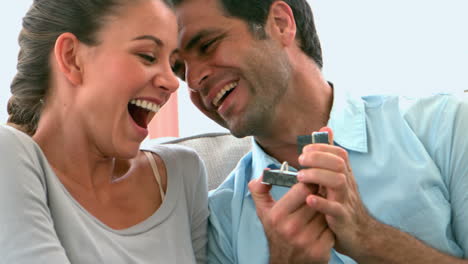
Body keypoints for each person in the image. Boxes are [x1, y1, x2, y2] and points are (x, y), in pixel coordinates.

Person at [171, 0, 468, 263]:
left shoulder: (445, 127)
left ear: (280, 24)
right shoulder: (221, 221)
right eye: (180, 70)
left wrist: (370, 238)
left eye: (207, 45)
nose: (194, 81)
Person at [0, 0, 208, 263]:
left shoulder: (182, 173)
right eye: (148, 56)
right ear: (72, 58)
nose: (171, 82)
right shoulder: (7, 155)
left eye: (174, 65)